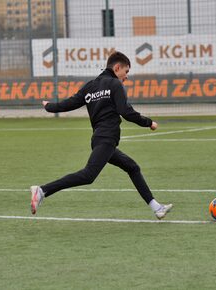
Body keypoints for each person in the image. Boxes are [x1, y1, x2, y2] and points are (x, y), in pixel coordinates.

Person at [30, 51, 173, 219]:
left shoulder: (90, 86)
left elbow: (69, 103)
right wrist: (149, 123)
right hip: (106, 139)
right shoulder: (115, 85)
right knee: (88, 175)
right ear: (117, 67)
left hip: (101, 139)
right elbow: (126, 112)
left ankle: (157, 208)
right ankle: (42, 191)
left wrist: (50, 107)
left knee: (132, 167)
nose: (126, 77)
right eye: (126, 72)